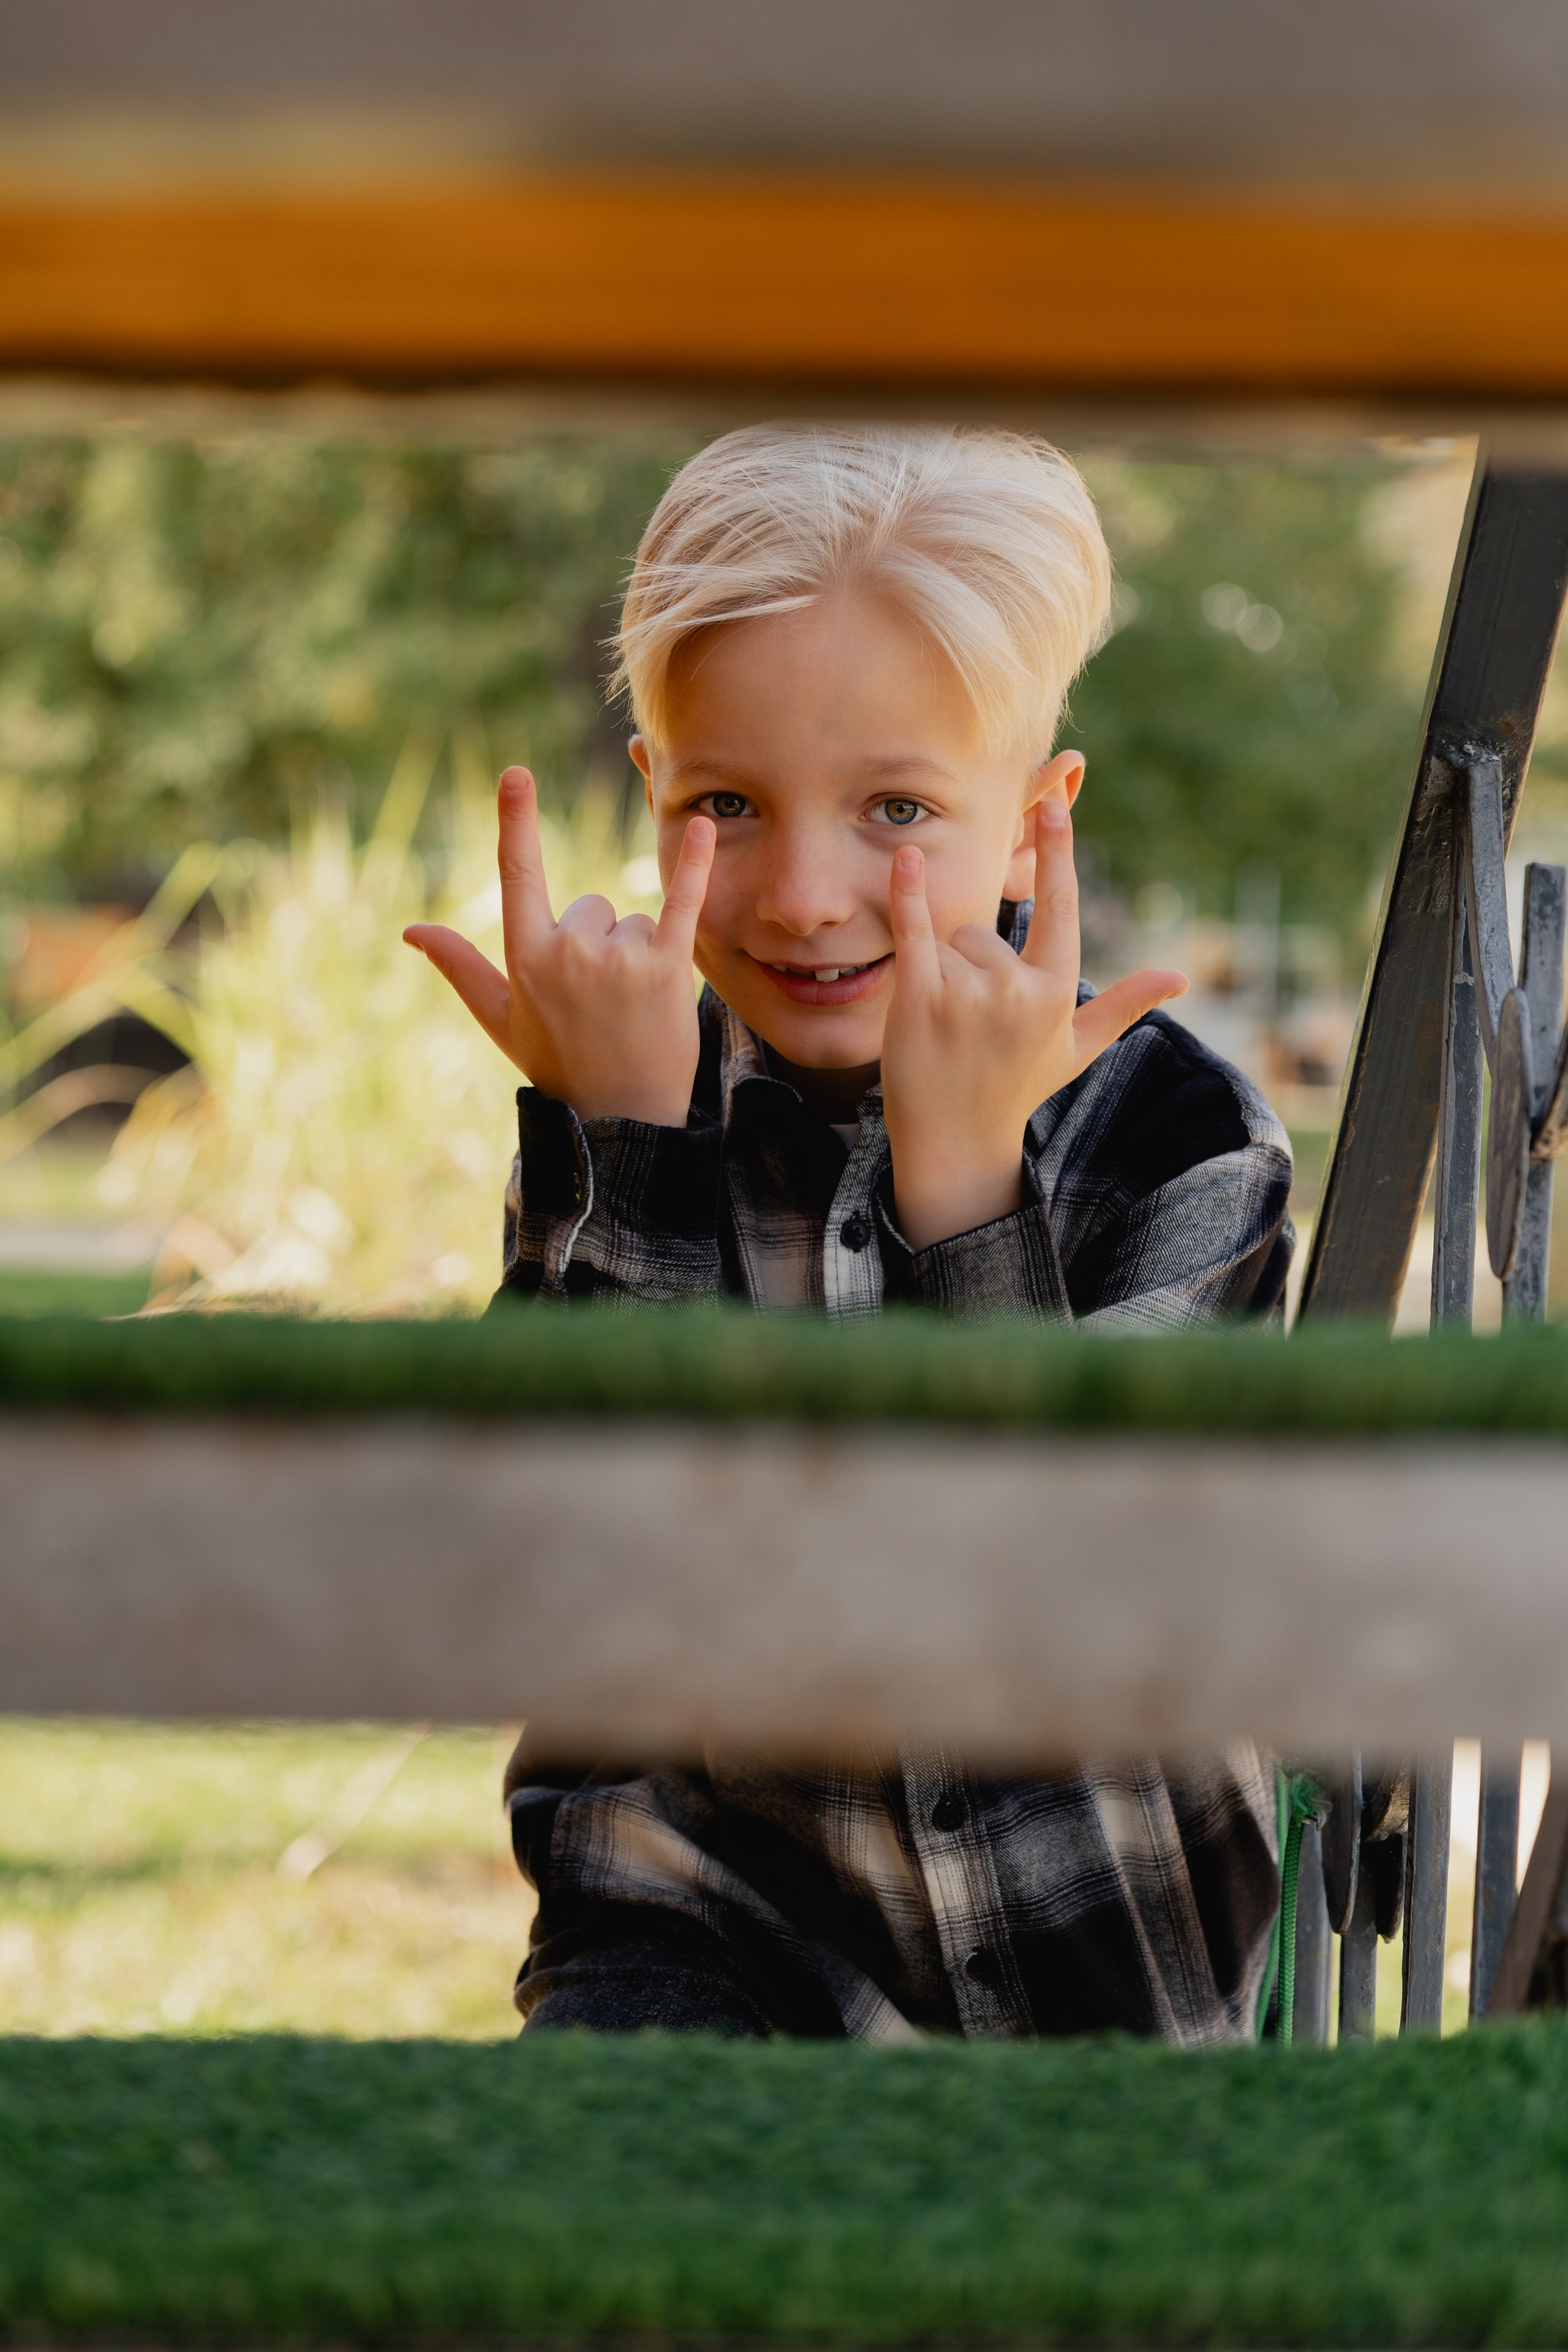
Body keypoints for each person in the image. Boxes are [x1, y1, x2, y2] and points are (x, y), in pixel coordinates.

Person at [406, 423, 1291, 2044]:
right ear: (652, 792)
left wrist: (968, 1208)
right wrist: (625, 1157)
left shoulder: (1184, 1147)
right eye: (729, 803)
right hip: (702, 1930)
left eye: (894, 808)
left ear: (1034, 819)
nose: (806, 893)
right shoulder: (639, 1097)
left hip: (1095, 1956)